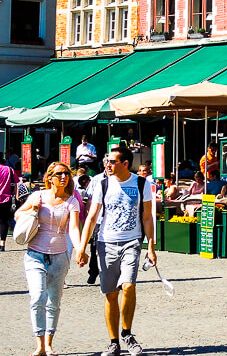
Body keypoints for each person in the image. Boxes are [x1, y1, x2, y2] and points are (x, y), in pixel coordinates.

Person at [76, 142, 156, 356]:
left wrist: (151, 247)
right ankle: (113, 342)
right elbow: (92, 217)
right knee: (111, 294)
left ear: (125, 163)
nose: (107, 164)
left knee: (128, 286)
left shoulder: (141, 184)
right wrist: (82, 248)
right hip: (106, 243)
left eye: (112, 161)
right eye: (106, 161)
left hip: (132, 242)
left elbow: (147, 217)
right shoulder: (102, 184)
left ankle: (127, 333)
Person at [16, 161, 82, 356]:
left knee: (54, 300)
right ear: (50, 177)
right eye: (60, 174)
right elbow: (18, 215)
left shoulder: (72, 201)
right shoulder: (38, 196)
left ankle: (49, 343)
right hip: (35, 254)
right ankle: (39, 344)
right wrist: (31, 209)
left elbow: (74, 228)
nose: (64, 177)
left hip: (60, 256)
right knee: (37, 297)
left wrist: (80, 250)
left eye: (67, 174)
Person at [0, 150, 18, 252]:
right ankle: (2, 244)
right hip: (7, 199)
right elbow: (16, 184)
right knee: (4, 221)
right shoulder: (10, 170)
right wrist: (15, 197)